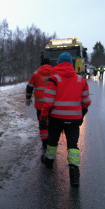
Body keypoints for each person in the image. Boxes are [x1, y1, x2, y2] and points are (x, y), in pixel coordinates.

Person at [40, 52, 91, 187]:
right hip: (74, 120)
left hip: (56, 119)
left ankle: (49, 162)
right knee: (73, 146)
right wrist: (81, 115)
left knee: (52, 142)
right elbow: (86, 102)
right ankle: (74, 174)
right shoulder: (81, 80)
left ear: (58, 63)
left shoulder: (53, 80)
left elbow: (48, 103)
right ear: (71, 64)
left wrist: (44, 117)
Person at [26, 58, 53, 150]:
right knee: (52, 124)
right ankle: (52, 141)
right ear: (50, 63)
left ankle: (45, 144)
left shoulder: (36, 74)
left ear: (41, 64)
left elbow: (29, 87)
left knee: (43, 124)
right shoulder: (55, 72)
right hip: (53, 105)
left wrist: (28, 98)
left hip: (40, 106)